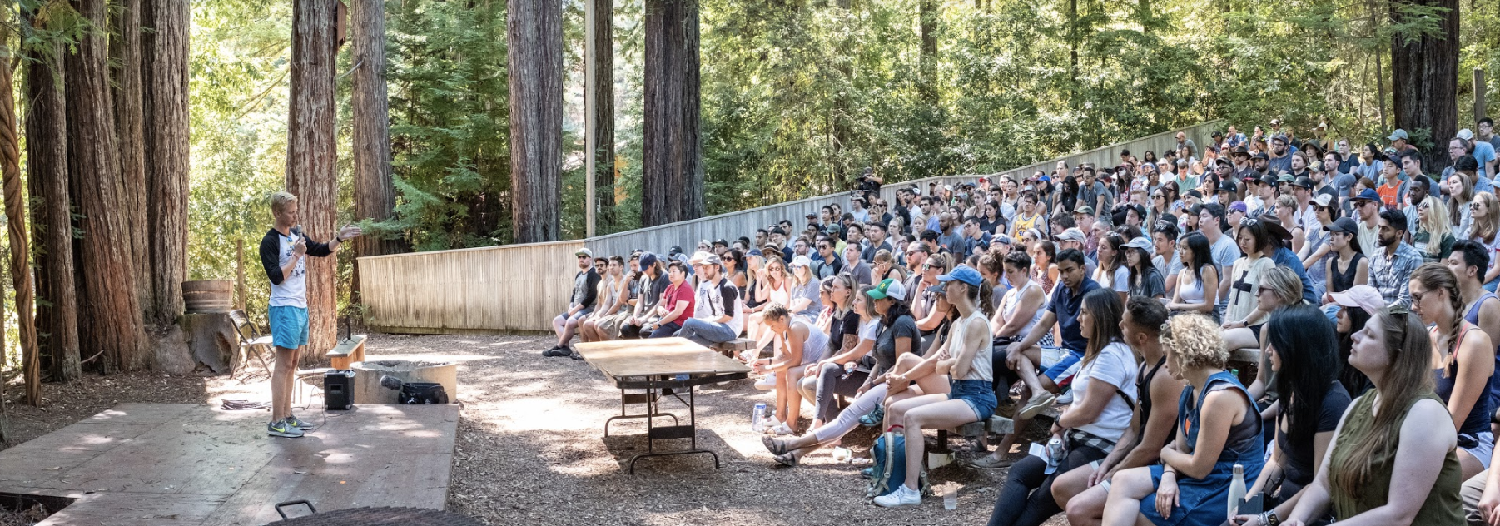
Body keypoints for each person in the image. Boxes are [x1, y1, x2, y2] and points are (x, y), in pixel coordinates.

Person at [1274, 305, 1464, 526]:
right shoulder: (1359, 405)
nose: (1354, 336)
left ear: (1397, 355)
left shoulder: (1424, 414)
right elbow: (1323, 484)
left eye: (1369, 335)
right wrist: (1296, 519)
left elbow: (1399, 515)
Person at [985, 289, 1137, 526]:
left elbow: (1089, 411)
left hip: (1100, 445)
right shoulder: (1097, 352)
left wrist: (1059, 422)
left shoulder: (1112, 356)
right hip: (1077, 437)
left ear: (1100, 317)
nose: (1078, 319)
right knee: (1020, 473)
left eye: (1084, 313)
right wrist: (1064, 428)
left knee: (1040, 499)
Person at [1101, 314, 1264, 526]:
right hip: (1200, 474)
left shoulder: (1219, 396)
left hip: (1229, 484)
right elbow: (1180, 446)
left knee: (1143, 511)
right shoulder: (1190, 389)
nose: (1165, 364)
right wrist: (1168, 476)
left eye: (1168, 355)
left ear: (1185, 354)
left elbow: (1199, 467)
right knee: (1122, 481)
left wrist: (1165, 453)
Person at [1054, 298, 1185, 526]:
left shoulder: (1165, 376)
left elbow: (1151, 447)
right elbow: (1134, 429)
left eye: (1124, 325)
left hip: (1161, 464)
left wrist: (1115, 472)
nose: (1120, 327)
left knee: (1077, 511)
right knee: (1062, 488)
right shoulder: (1144, 367)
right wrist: (1107, 464)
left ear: (1141, 337)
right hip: (1137, 455)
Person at [874, 266, 997, 508]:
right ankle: (893, 474)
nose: (943, 289)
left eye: (949, 284)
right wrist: (951, 364)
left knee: (912, 417)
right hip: (959, 392)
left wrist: (950, 365)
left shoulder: (976, 323)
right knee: (898, 408)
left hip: (977, 397)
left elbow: (957, 370)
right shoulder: (960, 322)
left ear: (963, 288)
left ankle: (910, 490)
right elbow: (938, 363)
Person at [1232, 305, 1352, 525]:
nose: (1268, 350)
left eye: (1275, 343)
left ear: (1296, 348)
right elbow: (1277, 463)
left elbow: (1320, 486)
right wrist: (1247, 505)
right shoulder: (1290, 391)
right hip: (1281, 508)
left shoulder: (1333, 403)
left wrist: (1264, 520)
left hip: (1309, 516)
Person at [259, 191, 361, 438]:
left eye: (296, 211)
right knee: (283, 365)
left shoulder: (296, 235)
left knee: (294, 364)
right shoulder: (270, 242)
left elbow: (322, 250)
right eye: (291, 212)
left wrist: (339, 238)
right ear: (277, 213)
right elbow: (276, 276)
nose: (295, 216)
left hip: (300, 307)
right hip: (283, 308)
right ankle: (276, 421)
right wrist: (296, 255)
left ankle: (288, 416)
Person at [1411, 263, 1497, 480]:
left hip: (1468, 444)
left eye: (1418, 297)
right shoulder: (1427, 336)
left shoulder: (1474, 342)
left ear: (1441, 293)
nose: (1413, 306)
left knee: (1409, 475)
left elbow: (1451, 424)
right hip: (1431, 439)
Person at [1008, 249, 1099, 419]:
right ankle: (1038, 392)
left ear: (1082, 269)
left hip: (1084, 356)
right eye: (1061, 271)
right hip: (1063, 352)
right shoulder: (1061, 289)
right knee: (1015, 349)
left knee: (1027, 388)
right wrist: (1019, 346)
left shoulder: (1093, 293)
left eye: (1069, 270)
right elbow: (1044, 324)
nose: (1064, 276)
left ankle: (1005, 445)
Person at [754, 302, 829, 436]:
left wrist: (769, 368)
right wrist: (766, 362)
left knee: (791, 372)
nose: (771, 329)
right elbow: (785, 356)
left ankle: (791, 424)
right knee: (782, 371)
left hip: (822, 362)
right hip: (811, 362)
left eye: (772, 325)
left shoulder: (795, 327)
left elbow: (795, 361)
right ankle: (780, 415)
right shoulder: (784, 329)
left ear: (781, 319)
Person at [1446, 239, 1500, 414]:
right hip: (1453, 381)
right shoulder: (1454, 302)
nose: (1447, 268)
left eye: (1453, 263)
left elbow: (1484, 366)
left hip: (1482, 395)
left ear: (1472, 270)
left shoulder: (1488, 305)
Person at [675, 252, 744, 347]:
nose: (704, 271)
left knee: (689, 323)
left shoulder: (727, 287)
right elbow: (715, 314)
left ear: (716, 267)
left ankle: (673, 352)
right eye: (703, 268)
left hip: (730, 330)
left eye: (707, 267)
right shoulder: (710, 288)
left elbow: (728, 316)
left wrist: (707, 322)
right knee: (679, 336)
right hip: (718, 328)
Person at [1222, 219, 1278, 331]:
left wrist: (1242, 323)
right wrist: (1227, 321)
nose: (1242, 242)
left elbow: (1267, 304)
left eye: (1247, 239)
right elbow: (1232, 297)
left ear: (1259, 240)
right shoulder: (1238, 263)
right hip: (1235, 323)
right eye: (1240, 238)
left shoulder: (1267, 264)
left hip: (1257, 326)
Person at [548, 247, 601, 357]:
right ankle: (565, 348)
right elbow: (574, 293)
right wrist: (570, 306)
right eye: (579, 257)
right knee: (557, 321)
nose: (581, 259)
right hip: (575, 308)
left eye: (584, 257)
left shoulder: (593, 274)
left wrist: (577, 308)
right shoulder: (579, 275)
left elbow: (592, 295)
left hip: (588, 309)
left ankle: (559, 346)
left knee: (570, 322)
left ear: (590, 259)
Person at [1370, 209, 1423, 307]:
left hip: (1401, 317)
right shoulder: (1375, 256)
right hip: (1377, 313)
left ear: (1399, 233)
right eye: (1379, 227)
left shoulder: (1413, 258)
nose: (1379, 232)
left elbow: (1406, 301)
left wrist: (1380, 314)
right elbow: (1370, 292)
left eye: (1385, 229)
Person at [1166, 232, 1220, 317]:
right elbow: (1175, 302)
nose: (1180, 251)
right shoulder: (1182, 273)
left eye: (1184, 248)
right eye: (1179, 247)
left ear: (1196, 251)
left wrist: (1180, 306)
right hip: (1186, 314)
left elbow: (1209, 306)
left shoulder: (1208, 270)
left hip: (1207, 316)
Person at [579, 256, 629, 342]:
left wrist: (603, 317)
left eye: (614, 265)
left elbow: (617, 304)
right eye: (610, 265)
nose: (611, 267)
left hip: (624, 313)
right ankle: (598, 350)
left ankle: (610, 350)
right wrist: (597, 316)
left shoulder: (626, 281)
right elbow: (605, 304)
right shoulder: (610, 284)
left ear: (621, 267)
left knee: (598, 324)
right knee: (588, 324)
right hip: (613, 314)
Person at [644, 261, 695, 338]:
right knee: (643, 332)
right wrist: (661, 309)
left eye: (674, 271)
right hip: (667, 321)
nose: (670, 274)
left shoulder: (685, 289)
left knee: (653, 337)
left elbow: (677, 312)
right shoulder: (670, 287)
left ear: (682, 273)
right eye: (669, 271)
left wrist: (659, 323)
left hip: (678, 324)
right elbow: (661, 304)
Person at [1416, 195, 1457, 262]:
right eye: (1419, 205)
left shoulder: (1447, 238)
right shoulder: (1419, 233)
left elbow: (1443, 269)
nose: (1420, 208)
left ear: (1436, 210)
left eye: (1425, 205)